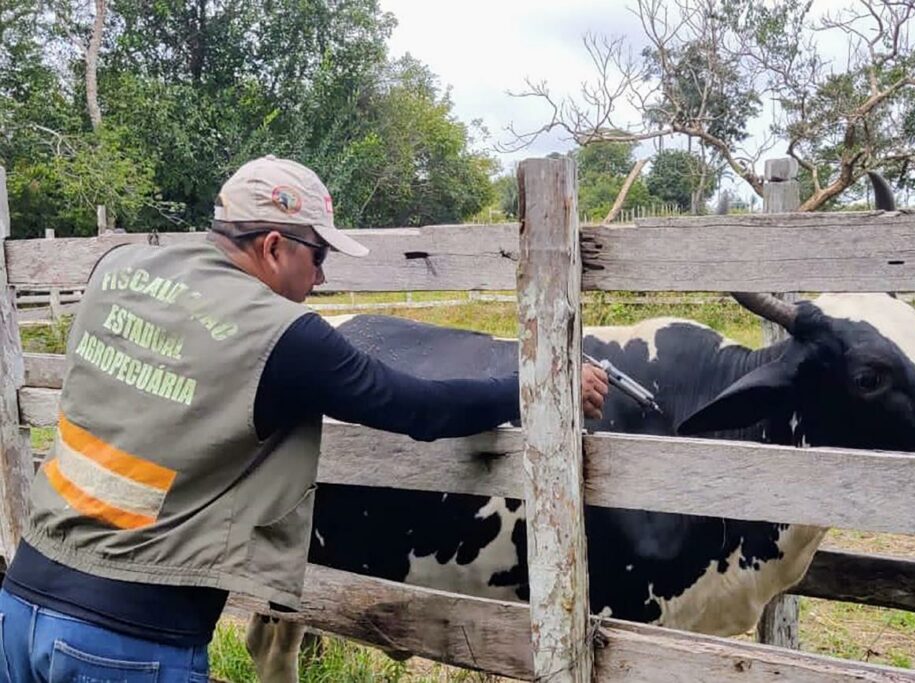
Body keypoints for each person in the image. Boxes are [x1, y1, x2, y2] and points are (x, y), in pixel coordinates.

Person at [0, 156, 608, 682]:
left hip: (23, 600)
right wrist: (540, 388)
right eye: (317, 256)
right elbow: (417, 408)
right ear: (272, 246)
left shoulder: (119, 267)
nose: (321, 276)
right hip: (130, 636)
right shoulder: (282, 336)